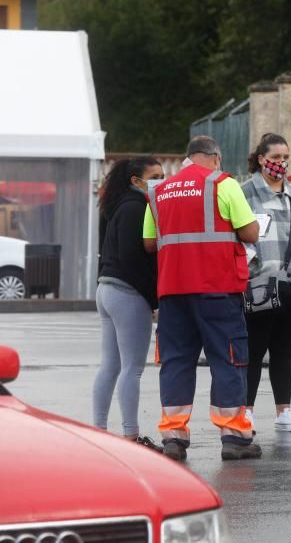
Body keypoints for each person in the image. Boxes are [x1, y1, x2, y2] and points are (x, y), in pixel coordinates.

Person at [143, 135, 261, 461]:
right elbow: (250, 232)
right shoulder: (223, 184)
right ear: (215, 157)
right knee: (228, 359)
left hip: (173, 291)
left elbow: (149, 243)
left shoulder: (159, 190)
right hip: (217, 289)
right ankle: (235, 438)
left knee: (176, 362)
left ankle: (174, 437)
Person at [240, 133, 291, 435]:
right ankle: (245, 412)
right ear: (261, 159)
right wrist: (251, 268)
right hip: (261, 283)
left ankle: (283, 411)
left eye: (284, 157)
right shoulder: (245, 193)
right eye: (275, 158)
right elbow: (234, 236)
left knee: (284, 349)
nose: (280, 163)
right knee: (253, 348)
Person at [93, 156, 163, 450]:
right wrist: (152, 299)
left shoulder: (118, 206)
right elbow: (134, 259)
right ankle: (130, 436)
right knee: (132, 368)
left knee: (110, 365)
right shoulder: (138, 208)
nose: (161, 181)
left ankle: (97, 430)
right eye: (155, 176)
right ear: (136, 181)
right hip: (127, 293)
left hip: (106, 290)